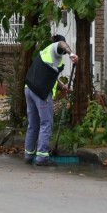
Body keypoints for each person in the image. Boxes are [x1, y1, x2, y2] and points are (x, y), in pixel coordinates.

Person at [24, 34, 79, 166]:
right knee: (46, 123)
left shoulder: (46, 53)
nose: (64, 49)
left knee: (33, 124)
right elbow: (61, 44)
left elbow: (51, 76)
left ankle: (29, 155)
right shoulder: (55, 48)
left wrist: (63, 87)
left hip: (29, 89)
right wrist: (71, 53)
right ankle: (42, 157)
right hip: (41, 93)